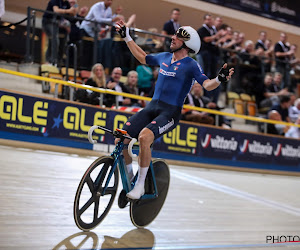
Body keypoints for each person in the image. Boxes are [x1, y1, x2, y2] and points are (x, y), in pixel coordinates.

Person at [115, 20, 234, 200]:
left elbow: (207, 85)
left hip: (169, 113)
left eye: (177, 37)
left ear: (186, 44)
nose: (172, 38)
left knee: (144, 137)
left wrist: (219, 79)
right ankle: (130, 178)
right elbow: (142, 57)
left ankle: (140, 186)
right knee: (120, 137)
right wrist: (127, 37)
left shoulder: (191, 65)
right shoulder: (164, 57)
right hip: (152, 107)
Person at [42, 0, 77, 65]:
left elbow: (72, 14)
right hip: (48, 22)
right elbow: (56, 10)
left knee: (61, 42)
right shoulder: (55, 1)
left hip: (57, 23)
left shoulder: (66, 3)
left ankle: (58, 60)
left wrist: (75, 5)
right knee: (54, 40)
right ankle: (52, 60)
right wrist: (68, 11)